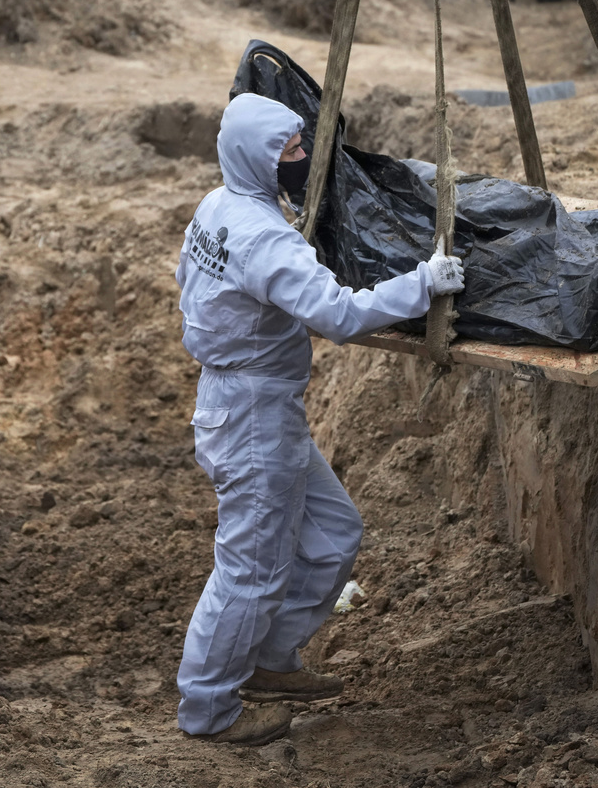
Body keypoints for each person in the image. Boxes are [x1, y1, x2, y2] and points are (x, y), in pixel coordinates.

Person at [173, 93, 464, 745]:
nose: (304, 159)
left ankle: (271, 660)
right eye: (291, 151)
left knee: (333, 532)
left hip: (247, 403)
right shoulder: (265, 239)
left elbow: (184, 278)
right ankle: (207, 707)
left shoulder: (219, 207)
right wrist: (424, 282)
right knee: (249, 566)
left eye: (301, 144)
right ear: (255, 157)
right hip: (251, 417)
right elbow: (338, 316)